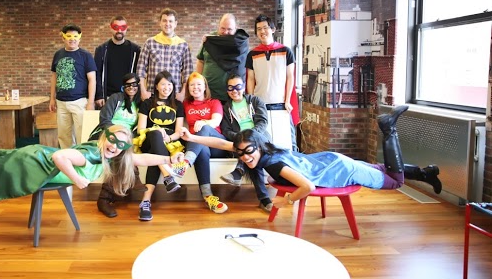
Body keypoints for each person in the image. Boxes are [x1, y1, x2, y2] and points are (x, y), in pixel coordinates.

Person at [180, 105, 443, 211]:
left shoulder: (273, 164)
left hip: (341, 171)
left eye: (249, 152)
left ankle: (389, 129)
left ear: (257, 147)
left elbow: (307, 186)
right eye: (241, 153)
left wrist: (287, 201)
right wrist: (193, 137)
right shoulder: (262, 149)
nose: (245, 157)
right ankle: (425, 174)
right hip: (327, 160)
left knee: (394, 181)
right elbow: (221, 142)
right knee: (381, 168)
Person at [0, 96, 184, 202]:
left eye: (120, 147)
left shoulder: (113, 155)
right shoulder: (90, 155)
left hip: (36, 156)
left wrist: (169, 159)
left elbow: (142, 159)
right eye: (112, 142)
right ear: (104, 137)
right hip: (33, 163)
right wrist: (77, 180)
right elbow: (61, 156)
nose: (114, 149)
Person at [88, 72, 145, 218]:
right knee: (117, 153)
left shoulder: (140, 104)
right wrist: (117, 135)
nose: (131, 87)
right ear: (123, 86)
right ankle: (105, 198)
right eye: (127, 85)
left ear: (138, 86)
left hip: (126, 139)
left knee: (122, 152)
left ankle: (112, 194)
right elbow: (104, 119)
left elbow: (139, 127)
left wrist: (127, 138)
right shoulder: (116, 98)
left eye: (134, 84)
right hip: (107, 134)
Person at [136, 71, 190, 221]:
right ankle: (168, 176)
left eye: (169, 84)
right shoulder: (147, 103)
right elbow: (140, 129)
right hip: (148, 139)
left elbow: (179, 131)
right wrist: (157, 131)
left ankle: (145, 201)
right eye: (163, 84)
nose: (167, 87)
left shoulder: (178, 105)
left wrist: (168, 137)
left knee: (155, 156)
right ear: (156, 86)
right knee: (155, 135)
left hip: (169, 144)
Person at [219, 73, 275, 212]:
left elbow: (263, 122)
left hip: (260, 138)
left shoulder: (255, 101)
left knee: (249, 151)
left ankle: (238, 171)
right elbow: (226, 130)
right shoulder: (226, 107)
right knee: (251, 157)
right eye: (230, 88)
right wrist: (241, 138)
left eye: (238, 87)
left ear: (243, 87)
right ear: (227, 90)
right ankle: (264, 200)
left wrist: (250, 137)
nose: (234, 91)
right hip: (240, 142)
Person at [246, 14, 299, 150]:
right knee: (264, 143)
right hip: (260, 104)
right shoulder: (252, 54)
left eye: (265, 28)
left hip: (281, 103)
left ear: (273, 29)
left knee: (287, 142)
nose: (262, 31)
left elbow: (290, 77)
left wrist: (287, 100)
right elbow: (250, 79)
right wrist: (251, 101)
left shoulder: (286, 51)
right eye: (259, 29)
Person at [182, 72, 231, 213]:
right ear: (188, 88)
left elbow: (216, 121)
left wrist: (203, 122)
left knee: (204, 129)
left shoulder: (214, 102)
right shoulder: (186, 104)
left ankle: (186, 162)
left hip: (217, 144)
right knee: (201, 147)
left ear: (205, 87)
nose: (195, 87)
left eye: (199, 84)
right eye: (192, 85)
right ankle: (208, 196)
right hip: (198, 146)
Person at [49, 23, 97, 148]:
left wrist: (91, 102)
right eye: (69, 36)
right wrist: (52, 98)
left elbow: (92, 79)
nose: (72, 39)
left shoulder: (85, 56)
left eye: (75, 37)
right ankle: (67, 157)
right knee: (64, 135)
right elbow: (54, 77)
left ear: (79, 38)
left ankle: (82, 157)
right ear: (63, 38)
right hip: (61, 102)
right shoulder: (58, 54)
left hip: (79, 102)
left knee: (82, 135)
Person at [137, 8, 193, 103]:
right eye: (164, 21)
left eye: (170, 21)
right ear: (160, 23)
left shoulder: (183, 45)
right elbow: (140, 69)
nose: (167, 24)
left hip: (174, 95)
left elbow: (188, 72)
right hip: (152, 94)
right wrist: (143, 91)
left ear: (175, 24)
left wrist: (183, 93)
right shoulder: (150, 43)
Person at [196, 13, 249, 103]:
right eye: (222, 28)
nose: (225, 32)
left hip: (234, 94)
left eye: (229, 29)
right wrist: (199, 84)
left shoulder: (241, 43)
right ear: (218, 27)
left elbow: (248, 67)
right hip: (209, 94)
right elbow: (200, 61)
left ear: (236, 28)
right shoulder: (210, 40)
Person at [94, 15, 141, 109]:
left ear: (126, 29)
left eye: (122, 27)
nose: (119, 30)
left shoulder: (135, 50)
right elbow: (97, 74)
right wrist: (99, 95)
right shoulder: (102, 50)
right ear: (110, 28)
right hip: (107, 97)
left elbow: (140, 74)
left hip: (129, 96)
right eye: (116, 27)